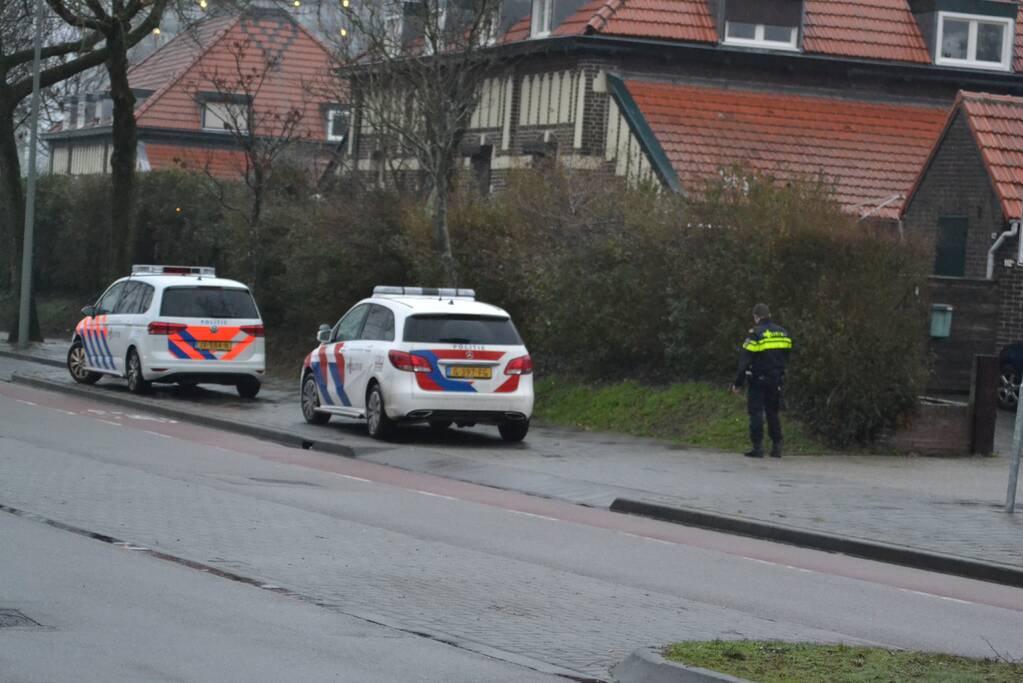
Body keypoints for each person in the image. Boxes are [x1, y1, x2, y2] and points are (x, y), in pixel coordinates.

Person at [730, 303, 792, 458]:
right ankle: (777, 446)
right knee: (773, 412)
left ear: (756, 317)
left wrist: (738, 383)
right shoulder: (783, 332)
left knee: (756, 412)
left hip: (758, 379)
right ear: (769, 315)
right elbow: (787, 356)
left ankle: (757, 447)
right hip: (776, 379)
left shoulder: (755, 334)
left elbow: (744, 361)